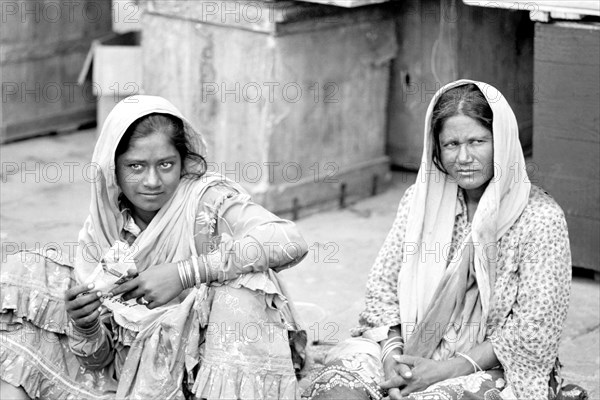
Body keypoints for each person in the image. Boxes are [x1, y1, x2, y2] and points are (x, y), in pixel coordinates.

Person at [0, 95, 308, 399]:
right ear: (113, 171)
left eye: (165, 164)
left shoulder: (204, 202)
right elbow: (101, 362)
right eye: (135, 166)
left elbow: (288, 240)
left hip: (213, 368)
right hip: (141, 372)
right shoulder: (104, 229)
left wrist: (185, 273)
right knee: (23, 276)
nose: (152, 181)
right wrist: (86, 326)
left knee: (244, 289)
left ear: (183, 162)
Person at [303, 80, 586, 400]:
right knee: (338, 391)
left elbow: (532, 331)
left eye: (477, 141)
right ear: (435, 148)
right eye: (451, 144)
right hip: (408, 348)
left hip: (494, 366)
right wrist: (394, 360)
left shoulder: (540, 218)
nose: (464, 156)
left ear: (502, 142)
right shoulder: (419, 202)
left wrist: (443, 370)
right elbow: (382, 291)